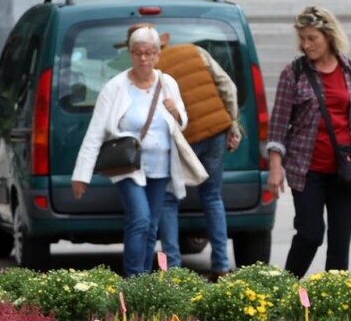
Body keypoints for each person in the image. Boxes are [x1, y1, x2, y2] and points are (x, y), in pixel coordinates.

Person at [266, 5, 351, 277]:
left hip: (345, 168)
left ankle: (332, 306)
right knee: (310, 234)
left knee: (340, 242)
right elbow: (279, 122)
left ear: (329, 36)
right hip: (306, 169)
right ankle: (285, 289)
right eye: (302, 38)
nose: (306, 45)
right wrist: (275, 166)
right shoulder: (293, 73)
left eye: (312, 38)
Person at [72, 24, 189, 277]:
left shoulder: (167, 83)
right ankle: (133, 278)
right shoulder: (115, 87)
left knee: (152, 226)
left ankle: (143, 280)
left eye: (149, 53)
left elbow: (182, 121)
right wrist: (81, 174)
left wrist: (176, 112)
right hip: (128, 167)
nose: (143, 58)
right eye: (138, 52)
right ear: (130, 53)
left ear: (158, 54)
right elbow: (95, 132)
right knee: (140, 220)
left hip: (161, 167)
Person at [156, 41, 242, 280]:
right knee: (213, 198)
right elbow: (228, 87)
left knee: (169, 200)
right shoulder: (196, 51)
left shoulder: (153, 66)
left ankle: (173, 269)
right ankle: (221, 265)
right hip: (215, 131)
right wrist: (232, 125)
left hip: (183, 138)